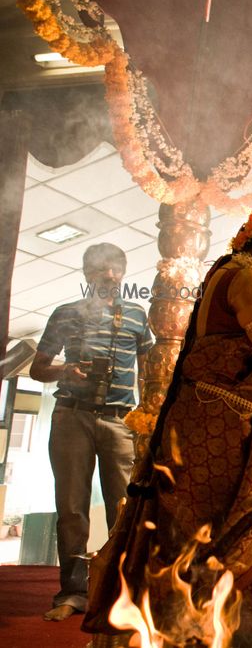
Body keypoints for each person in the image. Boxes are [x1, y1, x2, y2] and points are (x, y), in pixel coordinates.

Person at [82, 205, 252, 641]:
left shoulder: (224, 272)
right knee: (226, 537)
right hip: (218, 435)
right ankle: (216, 633)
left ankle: (178, 632)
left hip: (199, 424)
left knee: (189, 536)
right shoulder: (246, 279)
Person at [29, 242, 154, 622]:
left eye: (117, 269)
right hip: (71, 416)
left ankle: (120, 595)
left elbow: (148, 372)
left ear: (124, 273)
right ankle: (72, 593)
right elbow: (37, 369)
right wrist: (65, 370)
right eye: (102, 269)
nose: (110, 275)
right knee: (70, 508)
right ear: (87, 275)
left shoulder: (137, 314)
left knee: (124, 508)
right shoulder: (65, 314)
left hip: (120, 421)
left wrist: (150, 415)